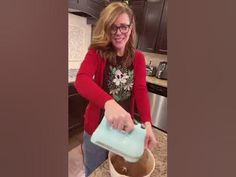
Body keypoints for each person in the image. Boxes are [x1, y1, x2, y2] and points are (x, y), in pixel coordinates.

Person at [74, 2, 157, 176]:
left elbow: (141, 90)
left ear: (131, 27)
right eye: (113, 27)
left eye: (124, 27)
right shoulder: (96, 53)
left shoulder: (138, 58)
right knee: (94, 171)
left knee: (119, 171)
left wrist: (148, 124)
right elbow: (81, 80)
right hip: (96, 130)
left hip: (124, 132)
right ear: (106, 28)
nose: (119, 32)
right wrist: (109, 103)